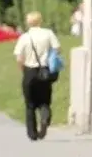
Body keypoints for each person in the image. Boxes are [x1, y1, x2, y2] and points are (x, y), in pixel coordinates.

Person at [13, 11, 61, 141]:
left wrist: (23, 70)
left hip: (29, 71)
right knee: (44, 100)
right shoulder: (48, 33)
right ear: (40, 20)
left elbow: (19, 58)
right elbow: (57, 49)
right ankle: (45, 117)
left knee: (30, 104)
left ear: (28, 22)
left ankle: (32, 133)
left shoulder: (25, 37)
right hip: (45, 71)